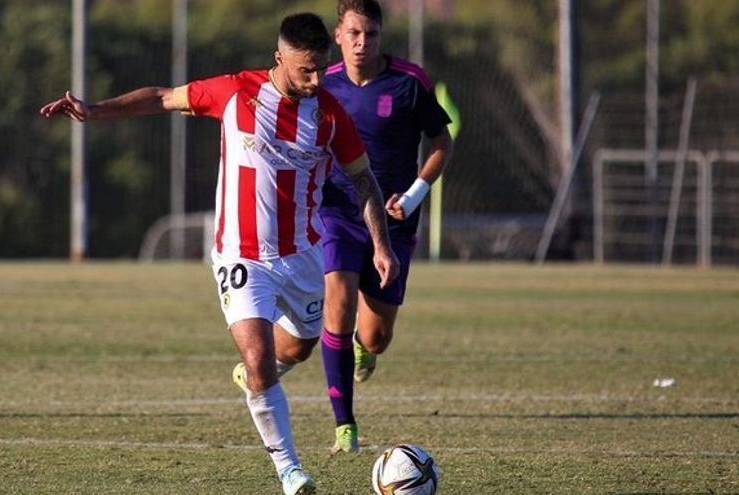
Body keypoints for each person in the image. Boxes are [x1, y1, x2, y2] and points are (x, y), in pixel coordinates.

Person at [40, 12, 398, 495]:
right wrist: (96, 110)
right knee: (259, 358)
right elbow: (163, 97)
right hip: (241, 256)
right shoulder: (235, 93)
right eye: (305, 70)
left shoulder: (330, 115)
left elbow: (363, 180)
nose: (316, 80)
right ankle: (290, 470)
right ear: (280, 59)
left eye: (321, 69)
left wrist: (381, 243)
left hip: (303, 257)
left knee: (299, 346)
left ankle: (259, 377)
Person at [318, 0, 454, 454]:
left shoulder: (409, 83)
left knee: (377, 336)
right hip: (337, 213)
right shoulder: (323, 86)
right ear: (337, 36)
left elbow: (441, 143)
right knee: (337, 303)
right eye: (353, 33)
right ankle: (345, 425)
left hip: (394, 222)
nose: (361, 43)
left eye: (370, 34)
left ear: (380, 36)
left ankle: (362, 346)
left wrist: (414, 194)